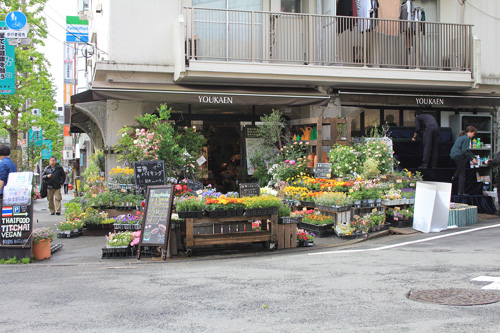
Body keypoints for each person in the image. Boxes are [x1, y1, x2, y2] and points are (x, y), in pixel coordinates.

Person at [450, 126, 478, 196]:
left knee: (460, 167)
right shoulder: (466, 139)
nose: (473, 136)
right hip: (459, 156)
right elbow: (465, 151)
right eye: (473, 134)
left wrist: (473, 157)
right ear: (470, 132)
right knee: (462, 174)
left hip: (454, 155)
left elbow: (466, 150)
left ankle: (453, 178)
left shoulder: (461, 137)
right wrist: (472, 159)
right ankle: (461, 192)